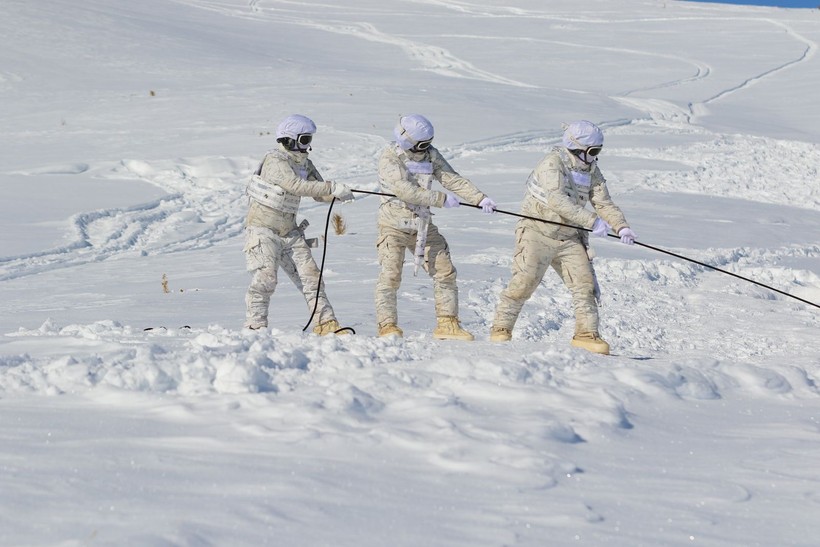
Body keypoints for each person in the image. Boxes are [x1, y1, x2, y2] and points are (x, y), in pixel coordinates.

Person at [490, 120, 637, 354]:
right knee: (524, 283)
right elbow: (558, 201)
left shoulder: (590, 170)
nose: (596, 157)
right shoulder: (552, 164)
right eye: (593, 152)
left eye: (598, 152)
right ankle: (501, 328)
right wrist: (592, 222)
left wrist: (621, 227)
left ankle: (586, 334)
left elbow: (602, 201)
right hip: (537, 233)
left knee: (584, 285)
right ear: (578, 147)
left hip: (569, 237)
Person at [375, 114, 497, 340]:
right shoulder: (390, 158)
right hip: (393, 226)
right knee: (390, 276)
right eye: (421, 144)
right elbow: (405, 190)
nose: (425, 149)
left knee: (445, 271)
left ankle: (447, 324)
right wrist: (440, 199)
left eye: (428, 143)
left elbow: (452, 179)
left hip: (423, 224)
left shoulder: (430, 154)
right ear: (407, 140)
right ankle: (387, 326)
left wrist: (479, 198)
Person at [243, 114, 355, 334]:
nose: (307, 146)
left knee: (312, 277)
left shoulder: (305, 163)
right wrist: (331, 188)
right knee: (266, 278)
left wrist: (337, 195)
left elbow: (317, 192)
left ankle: (326, 323)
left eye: (309, 140)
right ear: (289, 139)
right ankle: (255, 326)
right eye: (304, 140)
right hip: (263, 231)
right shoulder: (276, 160)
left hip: (289, 233)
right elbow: (295, 185)